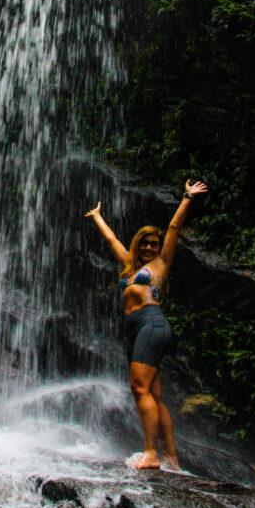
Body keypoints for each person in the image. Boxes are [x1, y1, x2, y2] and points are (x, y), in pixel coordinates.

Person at [85, 179, 208, 470]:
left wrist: (187, 198)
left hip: (151, 323)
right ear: (138, 245)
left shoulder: (161, 265)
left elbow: (175, 228)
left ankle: (151, 453)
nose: (152, 247)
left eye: (155, 243)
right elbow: (113, 241)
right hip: (135, 329)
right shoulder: (130, 266)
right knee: (153, 394)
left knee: (139, 389)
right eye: (147, 243)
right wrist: (98, 217)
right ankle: (172, 459)